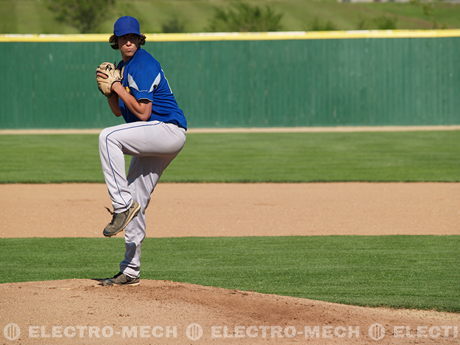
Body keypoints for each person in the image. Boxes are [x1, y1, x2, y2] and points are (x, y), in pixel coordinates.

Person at [97, 16, 187, 286]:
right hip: (156, 135)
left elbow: (143, 113)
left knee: (107, 137)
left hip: (167, 130)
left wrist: (116, 87)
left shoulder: (143, 64)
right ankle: (130, 270)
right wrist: (111, 93)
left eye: (132, 37)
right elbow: (118, 111)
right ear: (116, 42)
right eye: (123, 38)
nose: (128, 41)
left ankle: (121, 204)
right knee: (138, 201)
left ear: (139, 39)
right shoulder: (123, 68)